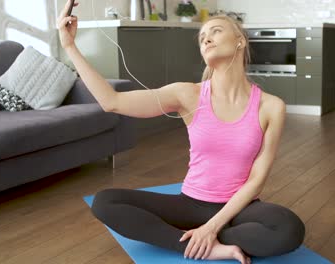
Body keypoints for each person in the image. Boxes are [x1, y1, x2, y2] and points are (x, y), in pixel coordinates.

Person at [57, 2, 305, 264]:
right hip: (190, 204)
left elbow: (257, 179)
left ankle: (200, 239)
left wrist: (211, 227)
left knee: (289, 229)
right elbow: (112, 102)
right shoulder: (188, 94)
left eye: (216, 31)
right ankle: (204, 247)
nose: (206, 38)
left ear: (240, 41)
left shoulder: (271, 106)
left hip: (240, 208)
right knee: (105, 202)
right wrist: (70, 45)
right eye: (202, 37)